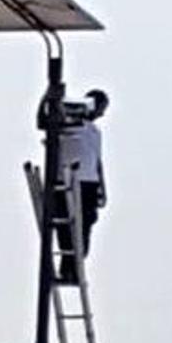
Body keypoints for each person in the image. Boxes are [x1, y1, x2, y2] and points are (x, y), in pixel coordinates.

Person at [54, 89, 109, 283]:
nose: (101, 113)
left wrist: (102, 188)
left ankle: (74, 269)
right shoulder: (68, 125)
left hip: (89, 184)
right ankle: (67, 269)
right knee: (66, 227)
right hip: (67, 180)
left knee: (84, 227)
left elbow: (97, 161)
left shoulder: (94, 132)